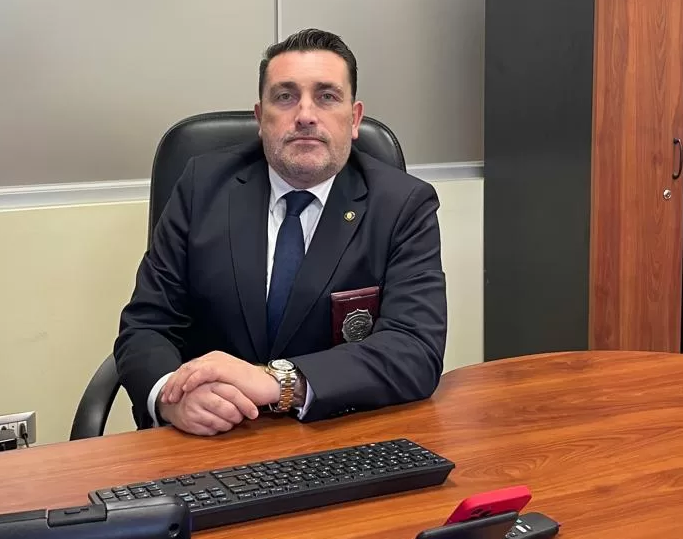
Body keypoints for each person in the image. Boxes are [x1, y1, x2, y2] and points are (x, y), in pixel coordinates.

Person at [114, 29, 447, 434]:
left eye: (327, 96)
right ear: (260, 118)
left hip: (341, 433)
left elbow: (414, 349)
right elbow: (147, 325)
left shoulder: (403, 204)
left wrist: (280, 381)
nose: (305, 115)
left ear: (354, 119)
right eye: (286, 96)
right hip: (214, 435)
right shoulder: (202, 186)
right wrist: (171, 397)